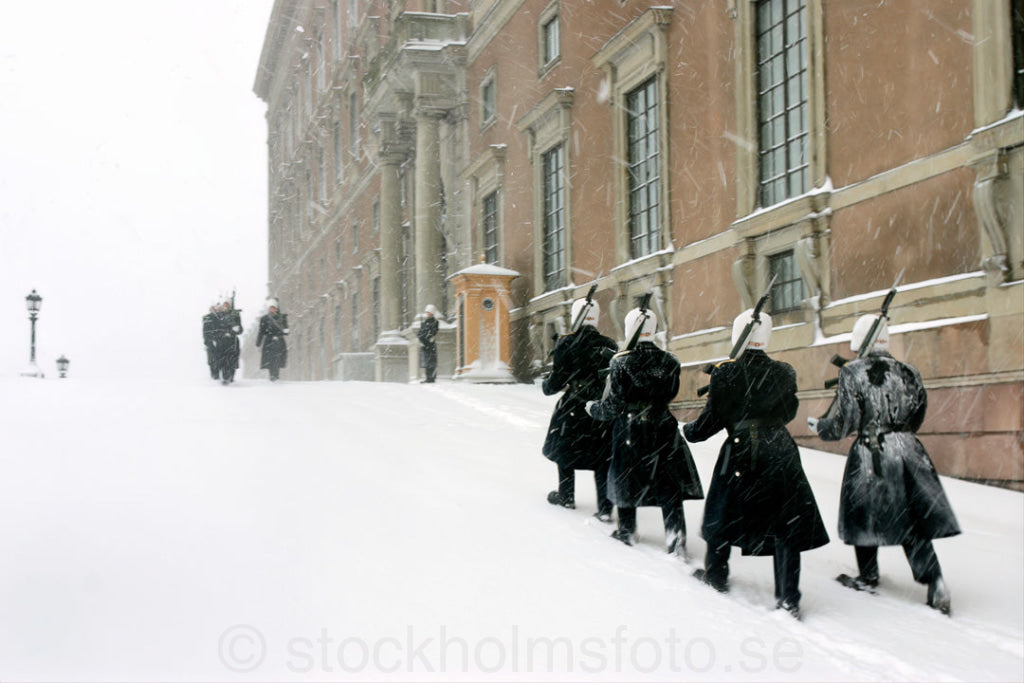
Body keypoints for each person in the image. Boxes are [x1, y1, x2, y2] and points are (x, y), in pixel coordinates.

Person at [808, 314, 959, 615]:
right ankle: (934, 579)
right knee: (912, 519)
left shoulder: (852, 372)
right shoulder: (909, 371)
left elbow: (844, 422)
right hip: (909, 449)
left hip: (871, 450)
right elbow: (919, 413)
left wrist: (821, 427)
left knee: (864, 513)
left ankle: (868, 575)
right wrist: (900, 434)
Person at [684, 308, 828, 618]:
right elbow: (788, 412)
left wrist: (690, 432)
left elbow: (711, 421)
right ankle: (789, 596)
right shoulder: (785, 372)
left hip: (741, 448)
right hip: (780, 449)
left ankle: (716, 574)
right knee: (785, 522)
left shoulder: (725, 372)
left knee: (721, 513)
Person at [587, 306, 704, 554]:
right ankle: (676, 536)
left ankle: (627, 531)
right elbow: (670, 393)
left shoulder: (621, 362)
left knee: (626, 478)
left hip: (631, 427)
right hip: (662, 425)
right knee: (667, 481)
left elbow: (612, 405)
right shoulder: (671, 361)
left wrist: (593, 409)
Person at [541, 297, 619, 521]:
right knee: (602, 457)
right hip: (598, 406)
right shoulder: (610, 344)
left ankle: (566, 495)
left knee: (565, 450)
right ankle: (605, 506)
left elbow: (555, 383)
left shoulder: (566, 343)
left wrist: (547, 384)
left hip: (573, 405)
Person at [256, 299, 289, 382]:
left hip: (279, 341)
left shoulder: (281, 317)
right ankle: (272, 375)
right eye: (271, 308)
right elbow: (261, 332)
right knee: (270, 360)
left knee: (278, 359)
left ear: (276, 308)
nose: (272, 309)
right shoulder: (264, 319)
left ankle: (276, 375)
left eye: (273, 307)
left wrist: (285, 330)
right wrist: (258, 342)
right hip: (269, 342)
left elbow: (286, 330)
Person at [211, 299, 242, 384]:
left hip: (232, 342)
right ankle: (225, 377)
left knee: (232, 360)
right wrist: (222, 334)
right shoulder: (218, 316)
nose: (226, 306)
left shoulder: (235, 315)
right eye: (224, 304)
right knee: (222, 360)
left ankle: (231, 376)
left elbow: (240, 329)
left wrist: (235, 330)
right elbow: (215, 330)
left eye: (227, 304)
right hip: (222, 342)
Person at [418, 305, 440, 383]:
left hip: (430, 344)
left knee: (431, 361)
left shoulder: (435, 322)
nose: (427, 313)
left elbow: (433, 331)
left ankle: (432, 377)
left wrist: (428, 337)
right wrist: (421, 338)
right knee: (427, 362)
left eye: (429, 312)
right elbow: (421, 332)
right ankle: (428, 377)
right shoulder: (425, 322)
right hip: (425, 344)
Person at [202, 305, 218, 379]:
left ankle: (216, 374)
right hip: (210, 341)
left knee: (217, 358)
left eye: (214, 309)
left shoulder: (218, 317)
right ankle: (213, 374)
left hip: (218, 341)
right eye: (212, 309)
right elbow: (204, 331)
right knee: (211, 359)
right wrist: (206, 342)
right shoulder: (207, 318)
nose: (213, 310)